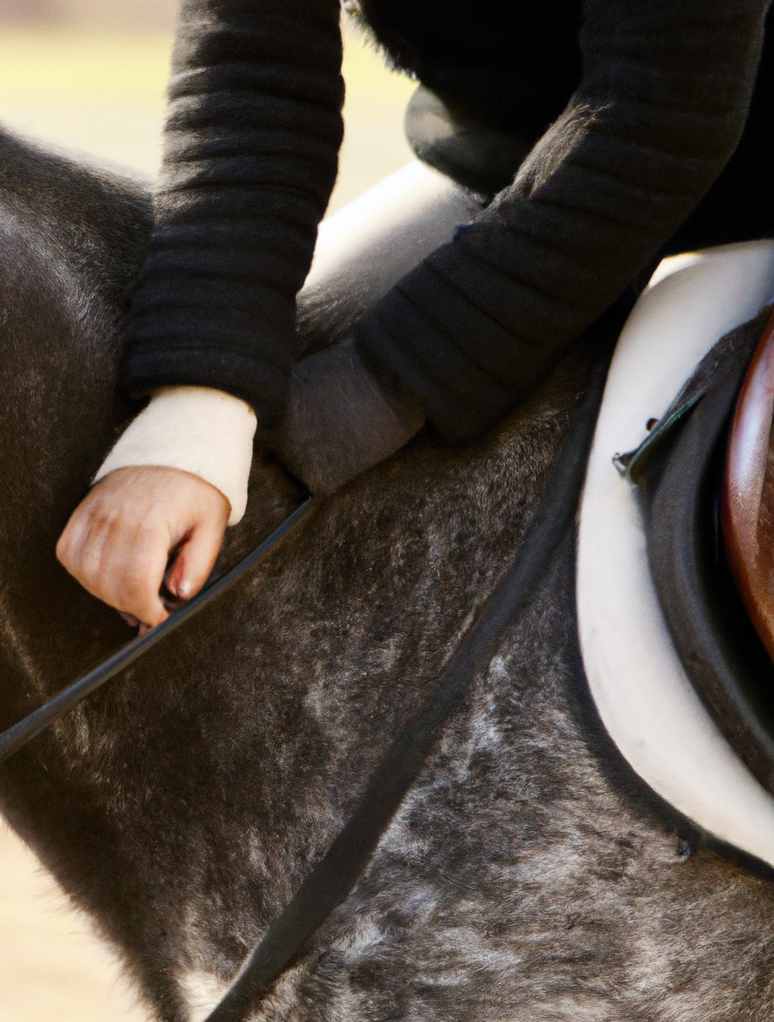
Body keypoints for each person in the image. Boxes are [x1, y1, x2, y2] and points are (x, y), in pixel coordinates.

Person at [57, 0, 774, 630]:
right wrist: (199, 403)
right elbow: (254, 69)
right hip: (509, 159)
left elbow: (663, 113)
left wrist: (379, 386)